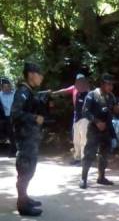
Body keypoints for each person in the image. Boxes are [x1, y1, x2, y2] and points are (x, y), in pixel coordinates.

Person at [11, 62, 45, 216]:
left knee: (29, 169)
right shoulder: (22, 92)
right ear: (31, 74)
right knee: (25, 170)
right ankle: (22, 204)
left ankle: (24, 197)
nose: (42, 77)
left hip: (30, 138)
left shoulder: (29, 92)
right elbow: (15, 114)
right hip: (25, 139)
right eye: (39, 74)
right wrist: (34, 118)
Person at [79, 73, 118, 189]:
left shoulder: (111, 97)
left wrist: (117, 110)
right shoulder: (92, 95)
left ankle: (101, 177)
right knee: (89, 153)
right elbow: (85, 111)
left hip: (107, 129)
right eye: (108, 84)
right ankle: (83, 178)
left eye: (112, 84)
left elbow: (112, 111)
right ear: (102, 84)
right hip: (94, 129)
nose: (111, 87)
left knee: (104, 154)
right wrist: (96, 122)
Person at [53, 73, 90, 165]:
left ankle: (84, 159)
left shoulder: (88, 91)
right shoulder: (74, 88)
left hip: (85, 117)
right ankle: (77, 158)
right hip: (76, 116)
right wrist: (54, 93)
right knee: (76, 139)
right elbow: (65, 90)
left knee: (84, 139)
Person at [0, 79, 16, 157]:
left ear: (10, 86)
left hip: (16, 115)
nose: (6, 88)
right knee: (11, 134)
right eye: (4, 87)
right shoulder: (0, 95)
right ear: (2, 88)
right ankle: (13, 151)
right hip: (7, 116)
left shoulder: (15, 93)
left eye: (8, 86)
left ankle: (15, 150)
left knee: (15, 133)